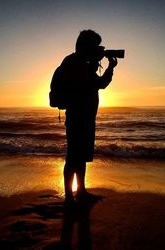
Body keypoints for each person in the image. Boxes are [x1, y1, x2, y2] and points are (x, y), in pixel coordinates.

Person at [56, 30, 118, 201]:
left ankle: (81, 191)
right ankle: (69, 196)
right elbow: (91, 84)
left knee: (80, 156)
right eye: (95, 45)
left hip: (86, 117)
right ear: (86, 45)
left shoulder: (83, 62)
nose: (98, 49)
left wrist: (109, 68)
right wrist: (95, 65)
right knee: (74, 156)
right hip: (77, 117)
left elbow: (100, 84)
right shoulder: (75, 62)